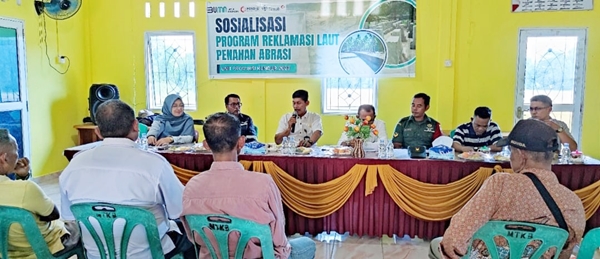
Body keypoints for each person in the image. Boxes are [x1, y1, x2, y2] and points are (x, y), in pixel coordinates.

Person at [429, 119, 585, 259]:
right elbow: (563, 253)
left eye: (510, 151)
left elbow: (455, 239)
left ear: (520, 154)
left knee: (437, 244)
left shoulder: (500, 184)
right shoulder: (573, 203)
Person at [60, 100, 195, 259]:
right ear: (136, 125)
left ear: (98, 131)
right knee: (190, 232)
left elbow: (70, 218)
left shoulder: (74, 165)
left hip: (96, 254)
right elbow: (180, 210)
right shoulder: (155, 164)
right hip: (150, 253)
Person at [182, 112, 316, 259]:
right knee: (307, 244)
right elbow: (279, 240)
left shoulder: (191, 186)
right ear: (241, 142)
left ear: (206, 144)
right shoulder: (264, 183)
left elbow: (192, 236)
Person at [0, 128, 81, 258]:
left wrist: (23, 177)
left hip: (6, 250)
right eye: (16, 151)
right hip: (39, 248)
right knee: (80, 226)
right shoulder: (27, 189)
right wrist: (25, 179)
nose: (18, 157)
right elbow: (53, 214)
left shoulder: (22, 188)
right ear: (4, 158)